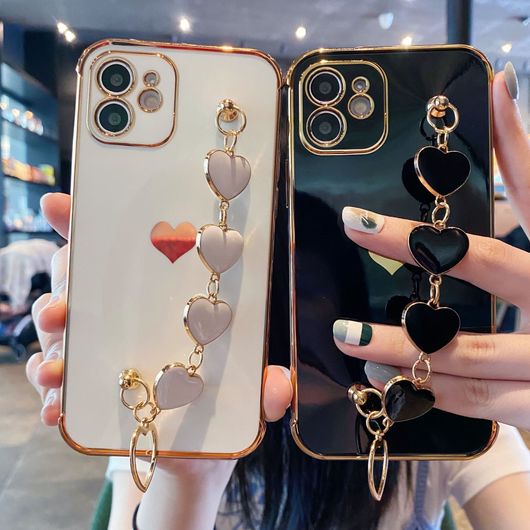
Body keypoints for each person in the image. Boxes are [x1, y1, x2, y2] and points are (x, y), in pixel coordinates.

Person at [26, 65, 530, 529]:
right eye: (268, 294)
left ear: (346, 295)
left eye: (305, 292)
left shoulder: (437, 407)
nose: (283, 320)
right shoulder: (170, 404)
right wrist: (188, 479)